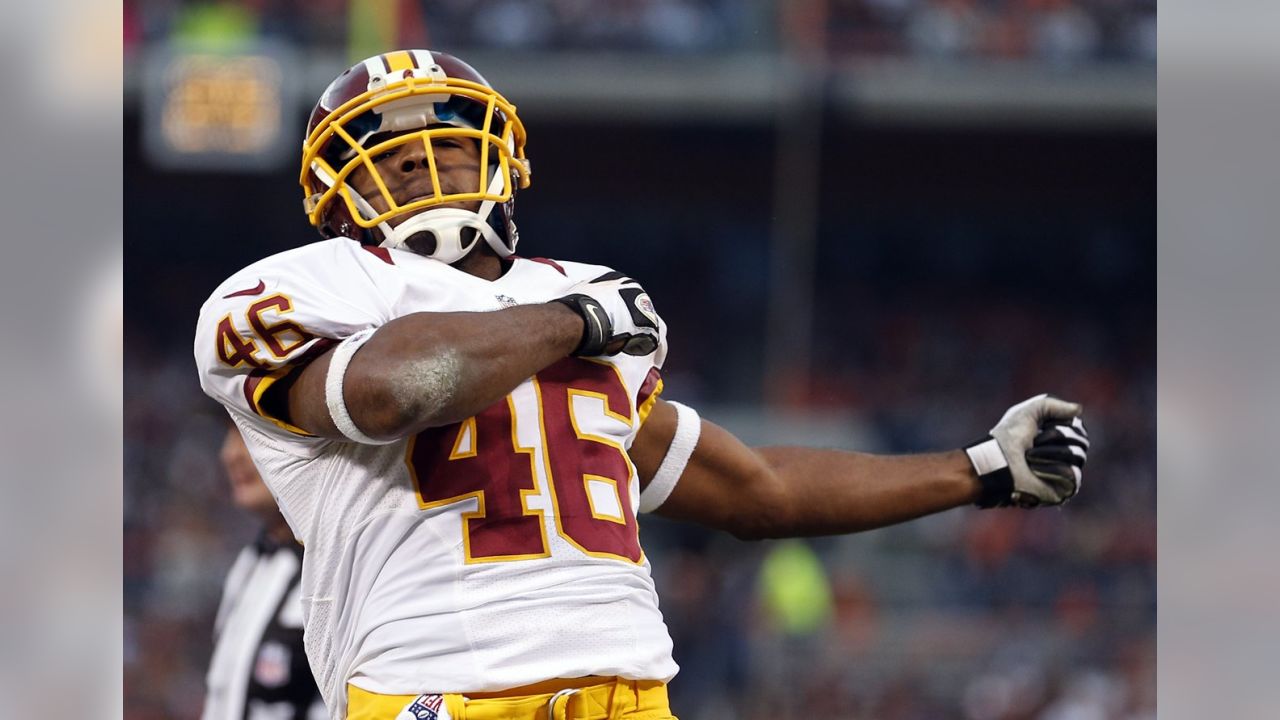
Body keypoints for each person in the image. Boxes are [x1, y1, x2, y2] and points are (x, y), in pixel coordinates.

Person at [194, 49, 1089, 720]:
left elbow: (757, 493)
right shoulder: (310, 286)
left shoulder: (577, 295)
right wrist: (574, 324)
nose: (425, 163)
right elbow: (393, 392)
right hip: (442, 689)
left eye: (452, 144)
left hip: (629, 690)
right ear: (332, 188)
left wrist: (976, 469)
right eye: (386, 153)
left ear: (505, 155)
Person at [202, 424, 326, 720]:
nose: (230, 454)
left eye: (248, 434)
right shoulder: (248, 562)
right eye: (230, 435)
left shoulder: (336, 568)